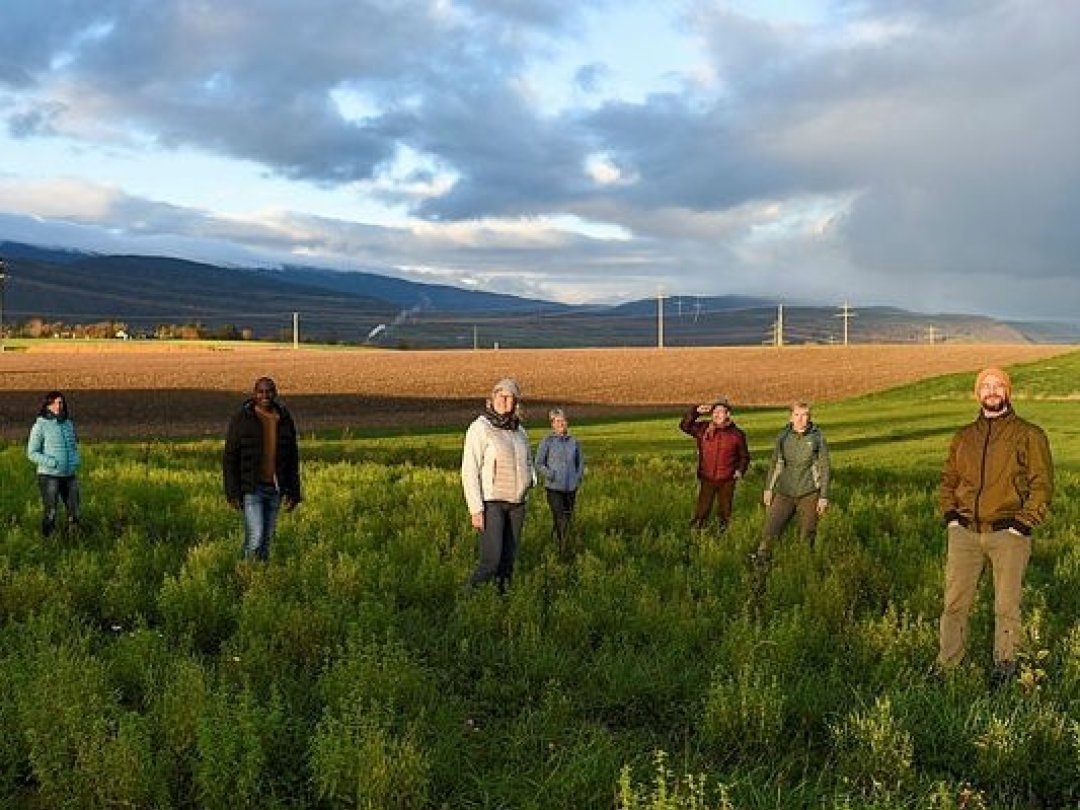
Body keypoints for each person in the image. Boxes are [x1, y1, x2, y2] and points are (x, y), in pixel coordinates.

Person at [936, 367, 1053, 686]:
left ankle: (1005, 665)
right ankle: (948, 666)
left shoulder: (1029, 434)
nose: (991, 391)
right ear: (978, 393)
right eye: (985, 386)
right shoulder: (964, 437)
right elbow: (948, 481)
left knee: (1006, 605)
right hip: (965, 535)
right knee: (955, 604)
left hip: (1008, 535)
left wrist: (1023, 523)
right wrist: (951, 519)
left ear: (1007, 392)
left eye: (998, 385)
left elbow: (1042, 485)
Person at [461, 377, 533, 592]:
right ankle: (468, 599)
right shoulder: (480, 428)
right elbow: (470, 469)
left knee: (508, 562)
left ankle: (502, 603)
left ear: (515, 402)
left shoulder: (519, 431)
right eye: (501, 395)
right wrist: (476, 508)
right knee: (490, 562)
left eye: (510, 396)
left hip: (517, 504)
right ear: (492, 398)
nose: (505, 400)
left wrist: (530, 482)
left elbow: (528, 460)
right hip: (492, 503)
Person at [223, 377, 302, 561]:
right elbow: (230, 457)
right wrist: (232, 492)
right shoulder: (242, 418)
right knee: (256, 537)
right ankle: (246, 575)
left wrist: (294, 492)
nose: (265, 395)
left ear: (275, 393)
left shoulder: (283, 418)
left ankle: (260, 578)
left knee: (267, 540)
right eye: (261, 391)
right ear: (254, 394)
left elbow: (292, 458)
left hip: (275, 488)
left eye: (269, 391)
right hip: (252, 488)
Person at [753, 401, 831, 562]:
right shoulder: (783, 436)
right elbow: (776, 463)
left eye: (805, 415)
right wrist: (768, 488)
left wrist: (823, 496)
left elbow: (824, 467)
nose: (801, 419)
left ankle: (803, 566)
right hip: (784, 492)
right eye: (797, 415)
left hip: (809, 493)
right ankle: (761, 563)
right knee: (770, 530)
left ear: (810, 417)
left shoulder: (817, 437)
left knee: (807, 534)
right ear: (791, 417)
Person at [679, 398, 750, 534]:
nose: (717, 415)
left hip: (727, 479)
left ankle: (722, 536)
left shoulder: (737, 434)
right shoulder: (703, 429)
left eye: (720, 412)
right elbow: (684, 426)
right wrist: (695, 412)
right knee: (702, 509)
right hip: (707, 477)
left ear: (728, 414)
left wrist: (740, 471)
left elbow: (744, 456)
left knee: (724, 511)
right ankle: (695, 533)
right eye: (714, 412)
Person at [26, 390, 81, 536]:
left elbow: (74, 445)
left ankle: (73, 540)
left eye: (61, 402)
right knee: (51, 511)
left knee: (74, 510)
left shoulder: (68, 424)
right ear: (48, 405)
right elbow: (31, 452)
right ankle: (48, 541)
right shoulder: (40, 426)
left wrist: (75, 460)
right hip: (49, 476)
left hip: (69, 475)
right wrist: (52, 463)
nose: (59, 406)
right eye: (56, 403)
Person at [535, 407, 585, 558]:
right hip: (554, 488)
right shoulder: (547, 441)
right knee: (560, 517)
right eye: (557, 421)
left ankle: (556, 544)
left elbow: (580, 462)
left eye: (563, 420)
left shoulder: (574, 442)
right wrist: (551, 475)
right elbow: (538, 463)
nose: (561, 424)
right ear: (552, 424)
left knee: (566, 519)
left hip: (571, 488)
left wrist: (577, 477)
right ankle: (564, 550)